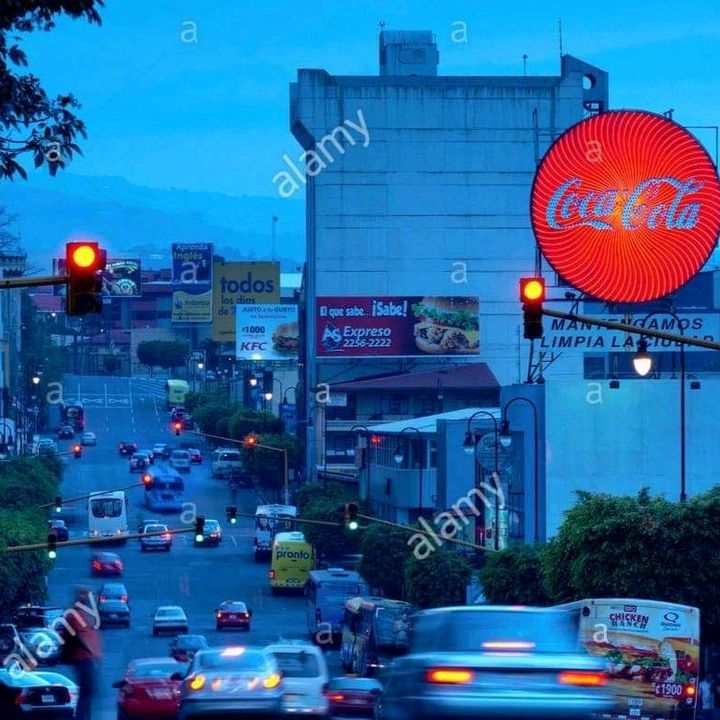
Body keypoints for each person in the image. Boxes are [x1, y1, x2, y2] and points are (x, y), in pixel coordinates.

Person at [67, 585, 103, 720]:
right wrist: (92, 652)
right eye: (86, 594)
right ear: (80, 595)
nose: (89, 597)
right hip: (82, 658)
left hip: (87, 657)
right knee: (86, 691)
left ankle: (85, 716)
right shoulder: (75, 613)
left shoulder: (83, 612)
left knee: (88, 692)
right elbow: (80, 636)